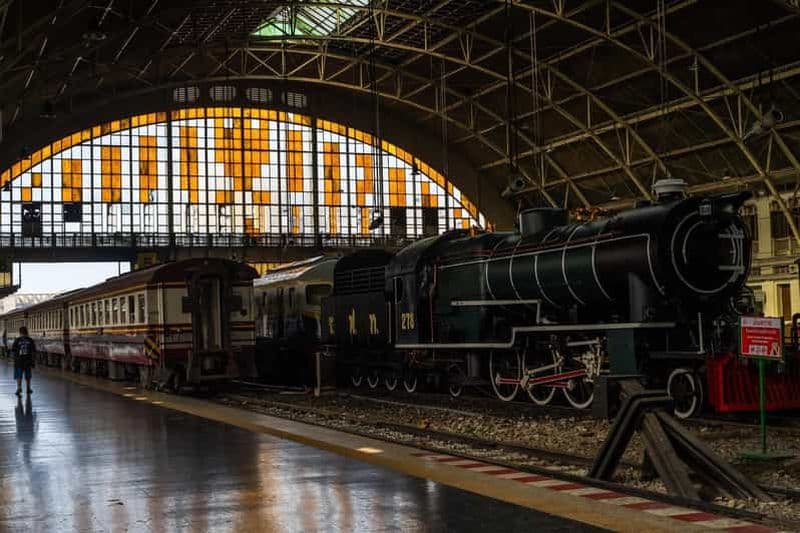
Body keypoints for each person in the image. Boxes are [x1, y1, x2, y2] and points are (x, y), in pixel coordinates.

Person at [11, 326, 35, 396]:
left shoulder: (17, 340)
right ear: (26, 332)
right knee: (28, 376)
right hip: (28, 361)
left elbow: (13, 351)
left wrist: (14, 360)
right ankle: (28, 388)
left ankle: (19, 388)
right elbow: (33, 351)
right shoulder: (30, 340)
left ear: (20, 332)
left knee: (19, 375)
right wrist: (33, 361)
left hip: (19, 362)